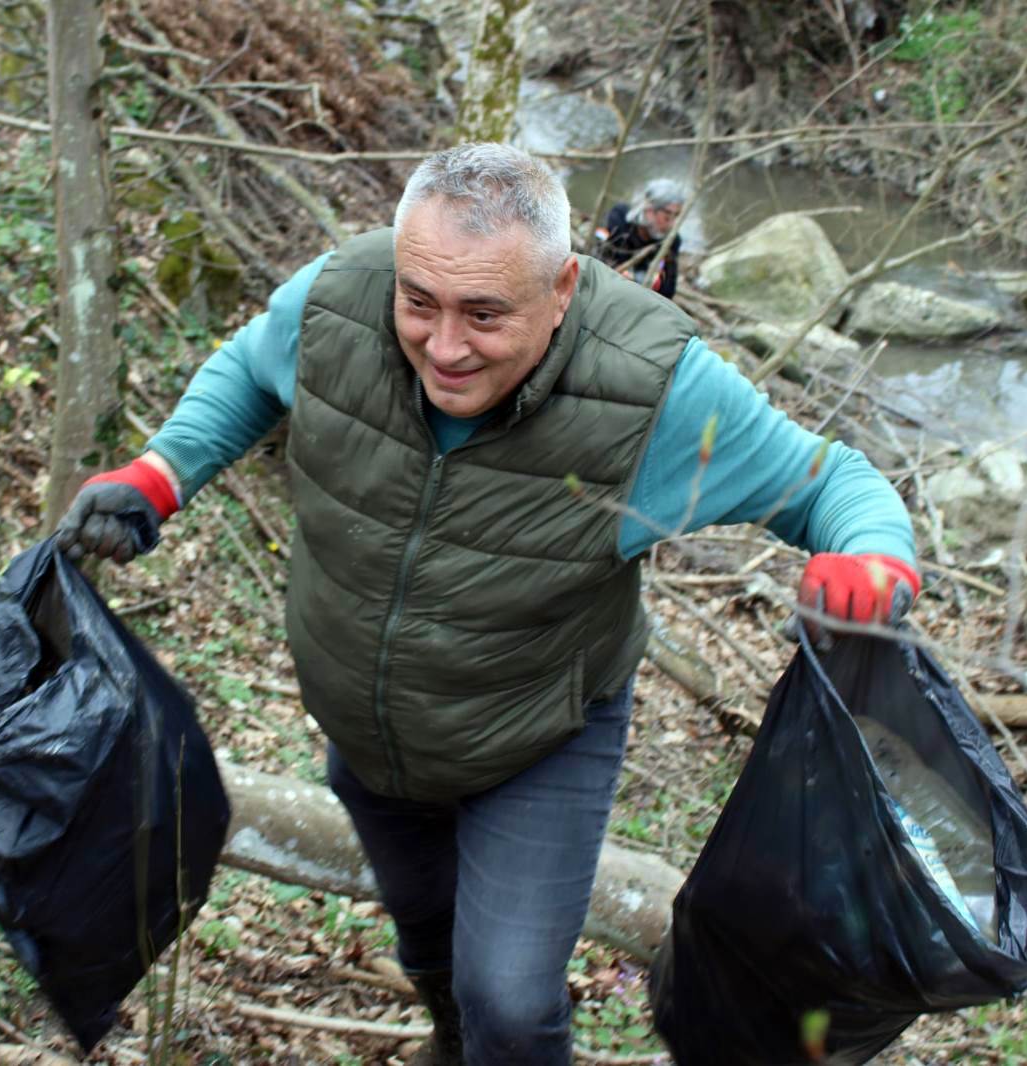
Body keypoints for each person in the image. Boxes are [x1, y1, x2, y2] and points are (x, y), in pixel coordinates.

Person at [55, 143, 919, 1065]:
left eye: (485, 314)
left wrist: (874, 564)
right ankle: (449, 1042)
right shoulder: (341, 298)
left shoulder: (652, 390)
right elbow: (248, 368)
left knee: (508, 999)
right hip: (367, 722)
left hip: (539, 730)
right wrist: (158, 476)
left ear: (562, 290)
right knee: (429, 940)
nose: (445, 345)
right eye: (419, 302)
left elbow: (835, 482)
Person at [595, 177, 686, 300]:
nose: (671, 224)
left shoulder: (671, 241)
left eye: (676, 216)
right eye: (667, 216)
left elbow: (668, 291)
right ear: (649, 210)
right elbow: (597, 253)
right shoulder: (618, 218)